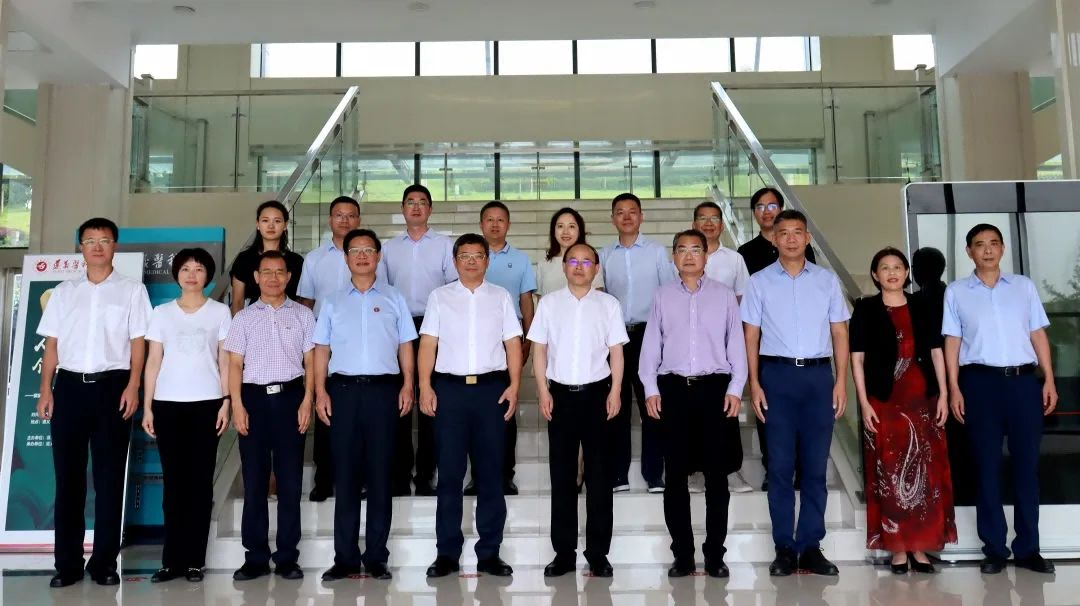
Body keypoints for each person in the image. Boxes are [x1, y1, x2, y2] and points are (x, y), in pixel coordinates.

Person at [36, 217, 152, 588]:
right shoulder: (64, 291)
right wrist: (46, 389)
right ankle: (67, 564)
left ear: (115, 245)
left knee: (109, 479)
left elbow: (138, 342)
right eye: (90, 240)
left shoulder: (132, 290)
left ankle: (104, 563)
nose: (97, 246)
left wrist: (133, 385)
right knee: (68, 481)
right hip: (69, 388)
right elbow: (52, 344)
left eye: (104, 240)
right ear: (81, 247)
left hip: (113, 388)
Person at [943, 223, 1058, 575]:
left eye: (994, 243)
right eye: (980, 244)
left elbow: (1037, 333)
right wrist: (954, 388)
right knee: (987, 467)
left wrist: (1049, 379)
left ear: (1003, 248)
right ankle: (994, 549)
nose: (988, 250)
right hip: (980, 384)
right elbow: (952, 342)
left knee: (1027, 468)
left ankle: (1028, 549)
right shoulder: (957, 292)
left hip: (1023, 383)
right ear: (969, 252)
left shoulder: (1023, 287)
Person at [741, 209, 848, 578]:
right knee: (781, 467)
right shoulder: (758, 282)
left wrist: (840, 381)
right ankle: (784, 547)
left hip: (818, 377)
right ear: (774, 238)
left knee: (815, 468)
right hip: (777, 376)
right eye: (783, 232)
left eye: (797, 232)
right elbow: (751, 335)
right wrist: (754, 383)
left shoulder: (826, 281)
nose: (790, 238)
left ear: (807, 238)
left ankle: (811, 545)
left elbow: (839, 332)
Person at [640, 230, 747, 579]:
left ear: (705, 256)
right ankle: (682, 555)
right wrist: (650, 388)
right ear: (673, 257)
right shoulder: (662, 296)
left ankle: (715, 554)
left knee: (717, 477)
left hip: (715, 389)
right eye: (682, 250)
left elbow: (737, 345)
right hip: (674, 390)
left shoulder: (724, 295)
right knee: (675, 477)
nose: (689, 255)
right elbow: (651, 346)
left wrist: (736, 388)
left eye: (696, 249)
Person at [312, 229, 416, 582]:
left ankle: (376, 557)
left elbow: (405, 344)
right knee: (345, 475)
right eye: (354, 250)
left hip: (384, 392)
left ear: (378, 256)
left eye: (368, 250)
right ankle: (344, 558)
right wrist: (320, 392)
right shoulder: (332, 301)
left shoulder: (394, 297)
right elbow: (321, 349)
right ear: (346, 258)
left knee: (380, 475)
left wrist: (408, 384)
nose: (361, 256)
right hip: (342, 392)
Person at [418, 233, 522, 579]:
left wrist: (515, 386)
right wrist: (424, 386)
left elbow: (513, 344)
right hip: (449, 391)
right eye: (465, 256)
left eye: (478, 255)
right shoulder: (439, 297)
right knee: (449, 474)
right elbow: (428, 344)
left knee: (491, 474)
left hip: (491, 390)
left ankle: (490, 553)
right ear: (455, 261)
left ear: (487, 261)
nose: (472, 261)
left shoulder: (501, 296)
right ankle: (446, 553)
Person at [849, 247, 956, 574]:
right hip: (884, 401)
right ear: (875, 275)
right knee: (889, 472)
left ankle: (920, 547)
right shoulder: (865, 308)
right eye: (885, 267)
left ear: (907, 273)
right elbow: (857, 358)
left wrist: (944, 394)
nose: (892, 272)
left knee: (926, 472)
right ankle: (897, 549)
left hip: (922, 399)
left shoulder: (922, 305)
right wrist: (864, 402)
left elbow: (936, 351)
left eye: (898, 267)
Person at [528, 242, 626, 579]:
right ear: (564, 267)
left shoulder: (609, 304)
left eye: (586, 261)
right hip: (561, 397)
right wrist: (543, 390)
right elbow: (539, 350)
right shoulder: (549, 304)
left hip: (598, 395)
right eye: (573, 261)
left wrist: (615, 391)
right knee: (562, 477)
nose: (580, 266)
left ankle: (598, 554)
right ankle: (563, 553)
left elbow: (617, 352)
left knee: (599, 477)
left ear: (596, 268)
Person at [142, 248, 232, 584]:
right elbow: (153, 361)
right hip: (167, 404)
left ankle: (195, 560)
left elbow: (225, 360)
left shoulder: (220, 312)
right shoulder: (162, 313)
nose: (191, 275)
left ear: (208, 275)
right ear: (176, 274)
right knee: (174, 484)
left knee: (199, 483)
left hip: (207, 403)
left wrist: (226, 401)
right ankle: (171, 561)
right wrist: (148, 405)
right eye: (185, 269)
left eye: (198, 269)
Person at [225, 250, 316, 582]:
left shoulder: (304, 315)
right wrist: (237, 405)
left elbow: (311, 362)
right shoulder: (243, 318)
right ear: (256, 277)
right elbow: (235, 365)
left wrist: (308, 400)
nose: (273, 278)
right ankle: (256, 557)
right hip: (253, 400)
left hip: (291, 398)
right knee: (255, 481)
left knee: (290, 482)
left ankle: (288, 557)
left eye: (280, 272)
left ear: (289, 277)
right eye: (267, 272)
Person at [378, 184, 458, 496]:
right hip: (397, 327)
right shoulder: (389, 249)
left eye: (422, 202)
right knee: (399, 402)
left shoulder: (444, 245)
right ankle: (399, 475)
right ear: (402, 208)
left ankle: (426, 475)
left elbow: (452, 291)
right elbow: (382, 292)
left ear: (430, 209)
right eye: (410, 202)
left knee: (429, 403)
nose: (416, 207)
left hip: (433, 327)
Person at [736, 187, 815, 491]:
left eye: (771, 205)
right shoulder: (746, 252)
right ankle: (774, 468)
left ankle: (802, 468)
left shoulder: (803, 248)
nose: (766, 211)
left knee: (802, 416)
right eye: (759, 206)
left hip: (798, 342)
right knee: (767, 410)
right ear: (754, 213)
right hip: (765, 341)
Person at [599, 192, 676, 494]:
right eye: (620, 212)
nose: (627, 217)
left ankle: (654, 474)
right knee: (615, 405)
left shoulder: (657, 253)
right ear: (612, 218)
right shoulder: (605, 254)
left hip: (649, 335)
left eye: (632, 211)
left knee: (652, 404)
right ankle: (618, 474)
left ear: (641, 216)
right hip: (615, 338)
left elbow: (668, 294)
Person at [296, 195, 362, 503]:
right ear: (330, 220)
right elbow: (306, 304)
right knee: (324, 408)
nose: (345, 220)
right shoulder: (314, 259)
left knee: (359, 415)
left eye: (351, 215)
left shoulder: (372, 254)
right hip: (324, 344)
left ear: (358, 220)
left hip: (361, 343)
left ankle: (359, 478)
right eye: (339, 215)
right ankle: (324, 479)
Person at [469, 201, 537, 496]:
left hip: (510, 340)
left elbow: (526, 302)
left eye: (500, 220)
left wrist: (528, 339)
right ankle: (477, 476)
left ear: (508, 224)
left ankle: (505, 474)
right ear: (481, 224)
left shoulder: (520, 260)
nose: (495, 225)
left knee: (505, 409)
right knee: (474, 412)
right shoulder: (470, 257)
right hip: (476, 342)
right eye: (489, 219)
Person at [691, 201, 752, 495]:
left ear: (722, 224)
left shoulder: (734, 259)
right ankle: (695, 470)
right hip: (689, 345)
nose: (708, 223)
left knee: (726, 408)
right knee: (693, 411)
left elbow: (742, 300)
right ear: (694, 224)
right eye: (702, 218)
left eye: (714, 218)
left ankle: (731, 469)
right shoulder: (683, 256)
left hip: (724, 344)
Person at [913, 247, 976, 507]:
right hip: (960, 375)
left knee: (937, 440)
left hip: (930, 378)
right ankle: (961, 493)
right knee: (959, 440)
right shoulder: (953, 294)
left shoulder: (919, 301)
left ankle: (943, 495)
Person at [229, 200, 305, 314]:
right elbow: (238, 302)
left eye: (277, 221)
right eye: (265, 220)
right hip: (252, 320)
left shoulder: (296, 261)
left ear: (285, 225)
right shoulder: (244, 260)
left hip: (288, 321)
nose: (271, 226)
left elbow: (301, 300)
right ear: (257, 224)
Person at [536, 207, 605, 297]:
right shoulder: (544, 264)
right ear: (553, 231)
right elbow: (540, 300)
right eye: (560, 226)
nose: (565, 232)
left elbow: (598, 298)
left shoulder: (591, 261)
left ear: (579, 231)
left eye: (571, 226)